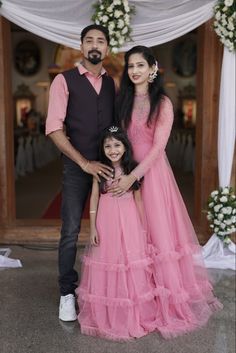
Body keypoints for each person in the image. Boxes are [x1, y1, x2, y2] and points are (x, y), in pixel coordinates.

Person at [113, 45, 223, 338]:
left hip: (152, 174)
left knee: (157, 234)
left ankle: (162, 299)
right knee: (131, 234)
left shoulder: (162, 103)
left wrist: (135, 176)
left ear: (152, 68)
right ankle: (138, 297)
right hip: (125, 170)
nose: (135, 71)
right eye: (131, 66)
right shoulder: (121, 99)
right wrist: (121, 171)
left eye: (140, 65)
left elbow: (159, 147)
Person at [45, 24, 115, 322]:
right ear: (81, 47)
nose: (94, 45)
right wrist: (83, 162)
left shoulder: (113, 83)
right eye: (89, 40)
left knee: (111, 232)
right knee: (71, 230)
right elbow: (53, 128)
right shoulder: (64, 80)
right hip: (77, 169)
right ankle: (66, 293)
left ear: (107, 48)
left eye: (100, 40)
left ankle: (106, 289)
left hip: (108, 170)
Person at [76, 126, 159, 340]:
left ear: (125, 147)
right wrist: (93, 226)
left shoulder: (132, 170)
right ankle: (106, 313)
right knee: (108, 258)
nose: (112, 150)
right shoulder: (101, 170)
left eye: (117, 145)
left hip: (129, 220)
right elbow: (94, 198)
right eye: (108, 146)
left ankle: (130, 313)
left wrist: (142, 227)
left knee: (128, 261)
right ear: (102, 149)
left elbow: (138, 200)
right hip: (106, 221)